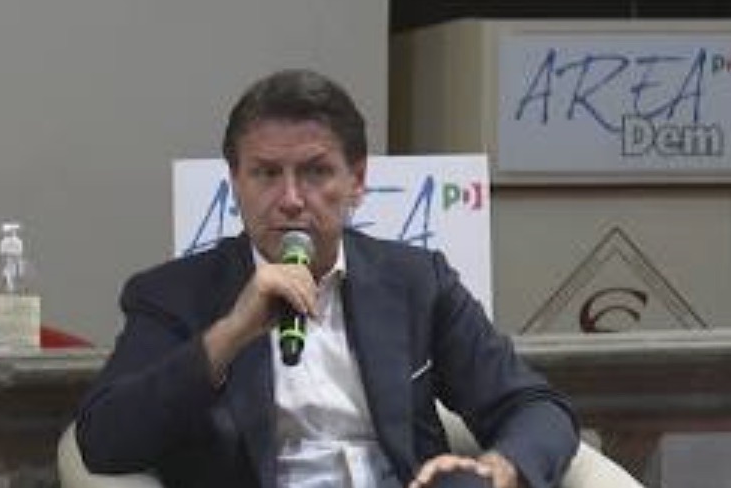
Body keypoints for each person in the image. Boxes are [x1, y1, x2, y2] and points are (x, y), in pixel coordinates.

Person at [75, 69, 578, 488]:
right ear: (235, 183)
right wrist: (230, 334)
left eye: (315, 173)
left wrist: (498, 469)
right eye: (266, 174)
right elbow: (103, 440)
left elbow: (535, 407)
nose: (291, 200)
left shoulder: (417, 281)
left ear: (357, 181)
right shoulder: (173, 294)